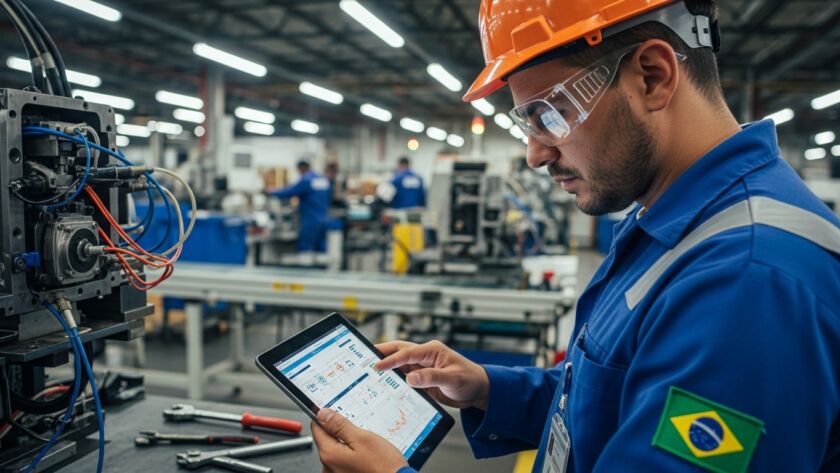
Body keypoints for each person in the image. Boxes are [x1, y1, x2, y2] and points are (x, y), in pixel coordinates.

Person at [311, 1, 840, 472]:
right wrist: (489, 389)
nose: (535, 153)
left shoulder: (747, 279)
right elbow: (614, 405)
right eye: (527, 124)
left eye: (551, 113)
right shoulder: (671, 222)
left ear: (652, 77)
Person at [268, 160, 331, 253]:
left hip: (310, 220)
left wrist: (272, 192)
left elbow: (290, 192)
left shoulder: (306, 180)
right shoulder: (323, 180)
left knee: (305, 249)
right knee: (321, 249)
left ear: (301, 169)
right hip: (324, 219)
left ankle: (305, 268)